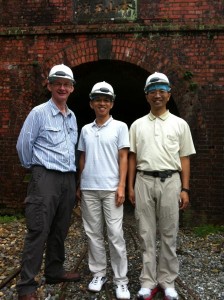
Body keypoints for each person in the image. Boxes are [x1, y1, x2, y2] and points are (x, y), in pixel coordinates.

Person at [128, 72, 196, 300]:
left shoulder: (180, 124)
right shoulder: (137, 125)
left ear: (169, 94)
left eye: (161, 90)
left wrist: (185, 189)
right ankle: (148, 281)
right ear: (146, 95)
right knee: (146, 233)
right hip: (144, 180)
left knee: (169, 233)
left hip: (171, 181)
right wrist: (130, 186)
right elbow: (132, 157)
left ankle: (167, 281)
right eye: (152, 91)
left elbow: (185, 157)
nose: (157, 95)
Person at [16, 64, 80, 300]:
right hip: (46, 176)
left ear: (72, 88)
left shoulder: (72, 117)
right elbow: (24, 145)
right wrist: (35, 170)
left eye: (67, 84)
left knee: (60, 229)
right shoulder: (38, 113)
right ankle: (26, 285)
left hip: (67, 178)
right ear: (50, 86)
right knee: (38, 229)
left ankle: (54, 271)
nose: (62, 87)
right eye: (58, 83)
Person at [76, 81, 131, 299]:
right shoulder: (85, 129)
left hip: (111, 189)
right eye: (98, 99)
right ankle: (99, 274)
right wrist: (80, 184)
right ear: (91, 103)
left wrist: (121, 186)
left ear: (112, 103)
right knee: (93, 234)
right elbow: (83, 157)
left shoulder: (120, 127)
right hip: (89, 188)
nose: (102, 103)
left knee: (116, 235)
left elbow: (124, 157)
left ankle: (121, 280)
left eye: (106, 100)